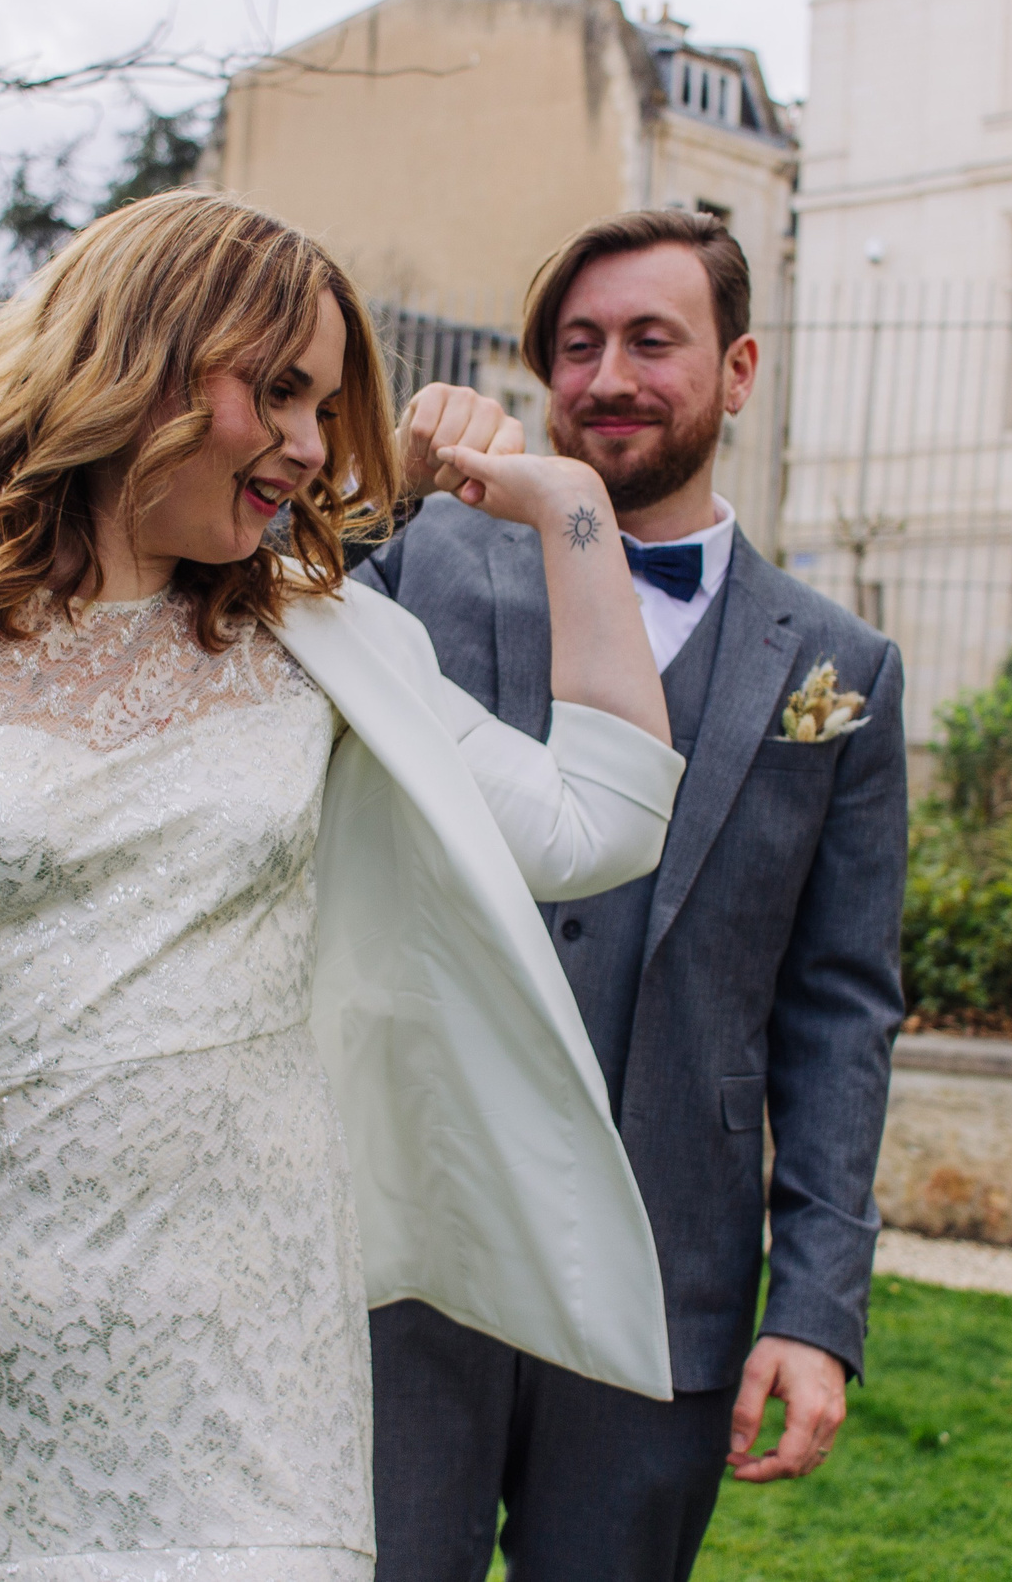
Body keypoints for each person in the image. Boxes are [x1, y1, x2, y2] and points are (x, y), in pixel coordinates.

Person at [0, 191, 691, 1582]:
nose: (312, 446)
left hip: (252, 1393)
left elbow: (598, 818)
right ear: (144, 363)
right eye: (282, 392)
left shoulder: (333, 642)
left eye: (328, 406)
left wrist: (573, 507)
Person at [355, 209, 907, 1582]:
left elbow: (842, 1007)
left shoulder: (838, 667)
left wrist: (818, 1307)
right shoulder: (425, 562)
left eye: (652, 340)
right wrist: (382, 477)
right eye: (578, 345)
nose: (607, 376)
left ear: (738, 370)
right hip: (416, 1249)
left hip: (666, 1277)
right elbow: (248, 616)